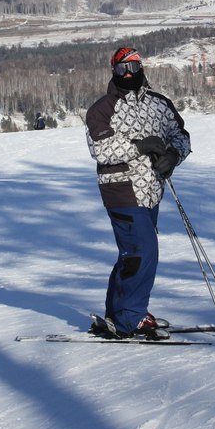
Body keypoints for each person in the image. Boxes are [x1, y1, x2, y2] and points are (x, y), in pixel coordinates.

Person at [85, 46, 191, 338]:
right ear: (113, 71)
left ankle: (117, 312)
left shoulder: (160, 104)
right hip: (120, 188)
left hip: (152, 190)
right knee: (144, 250)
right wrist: (141, 146)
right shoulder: (102, 109)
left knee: (131, 254)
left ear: (142, 68)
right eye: (122, 69)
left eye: (133, 67)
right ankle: (130, 318)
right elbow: (101, 150)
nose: (128, 74)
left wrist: (173, 155)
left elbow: (180, 135)